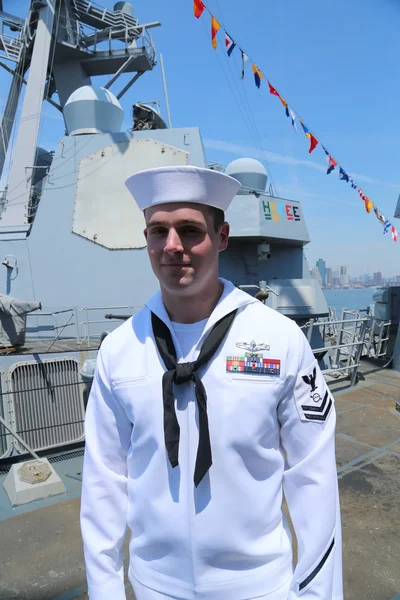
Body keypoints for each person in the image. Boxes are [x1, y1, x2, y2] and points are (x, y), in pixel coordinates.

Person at [80, 165, 343, 600]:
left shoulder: (278, 340)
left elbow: (313, 479)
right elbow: (104, 483)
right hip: (153, 588)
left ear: (221, 237)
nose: (172, 247)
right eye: (157, 231)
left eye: (189, 230)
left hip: (260, 588)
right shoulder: (120, 350)